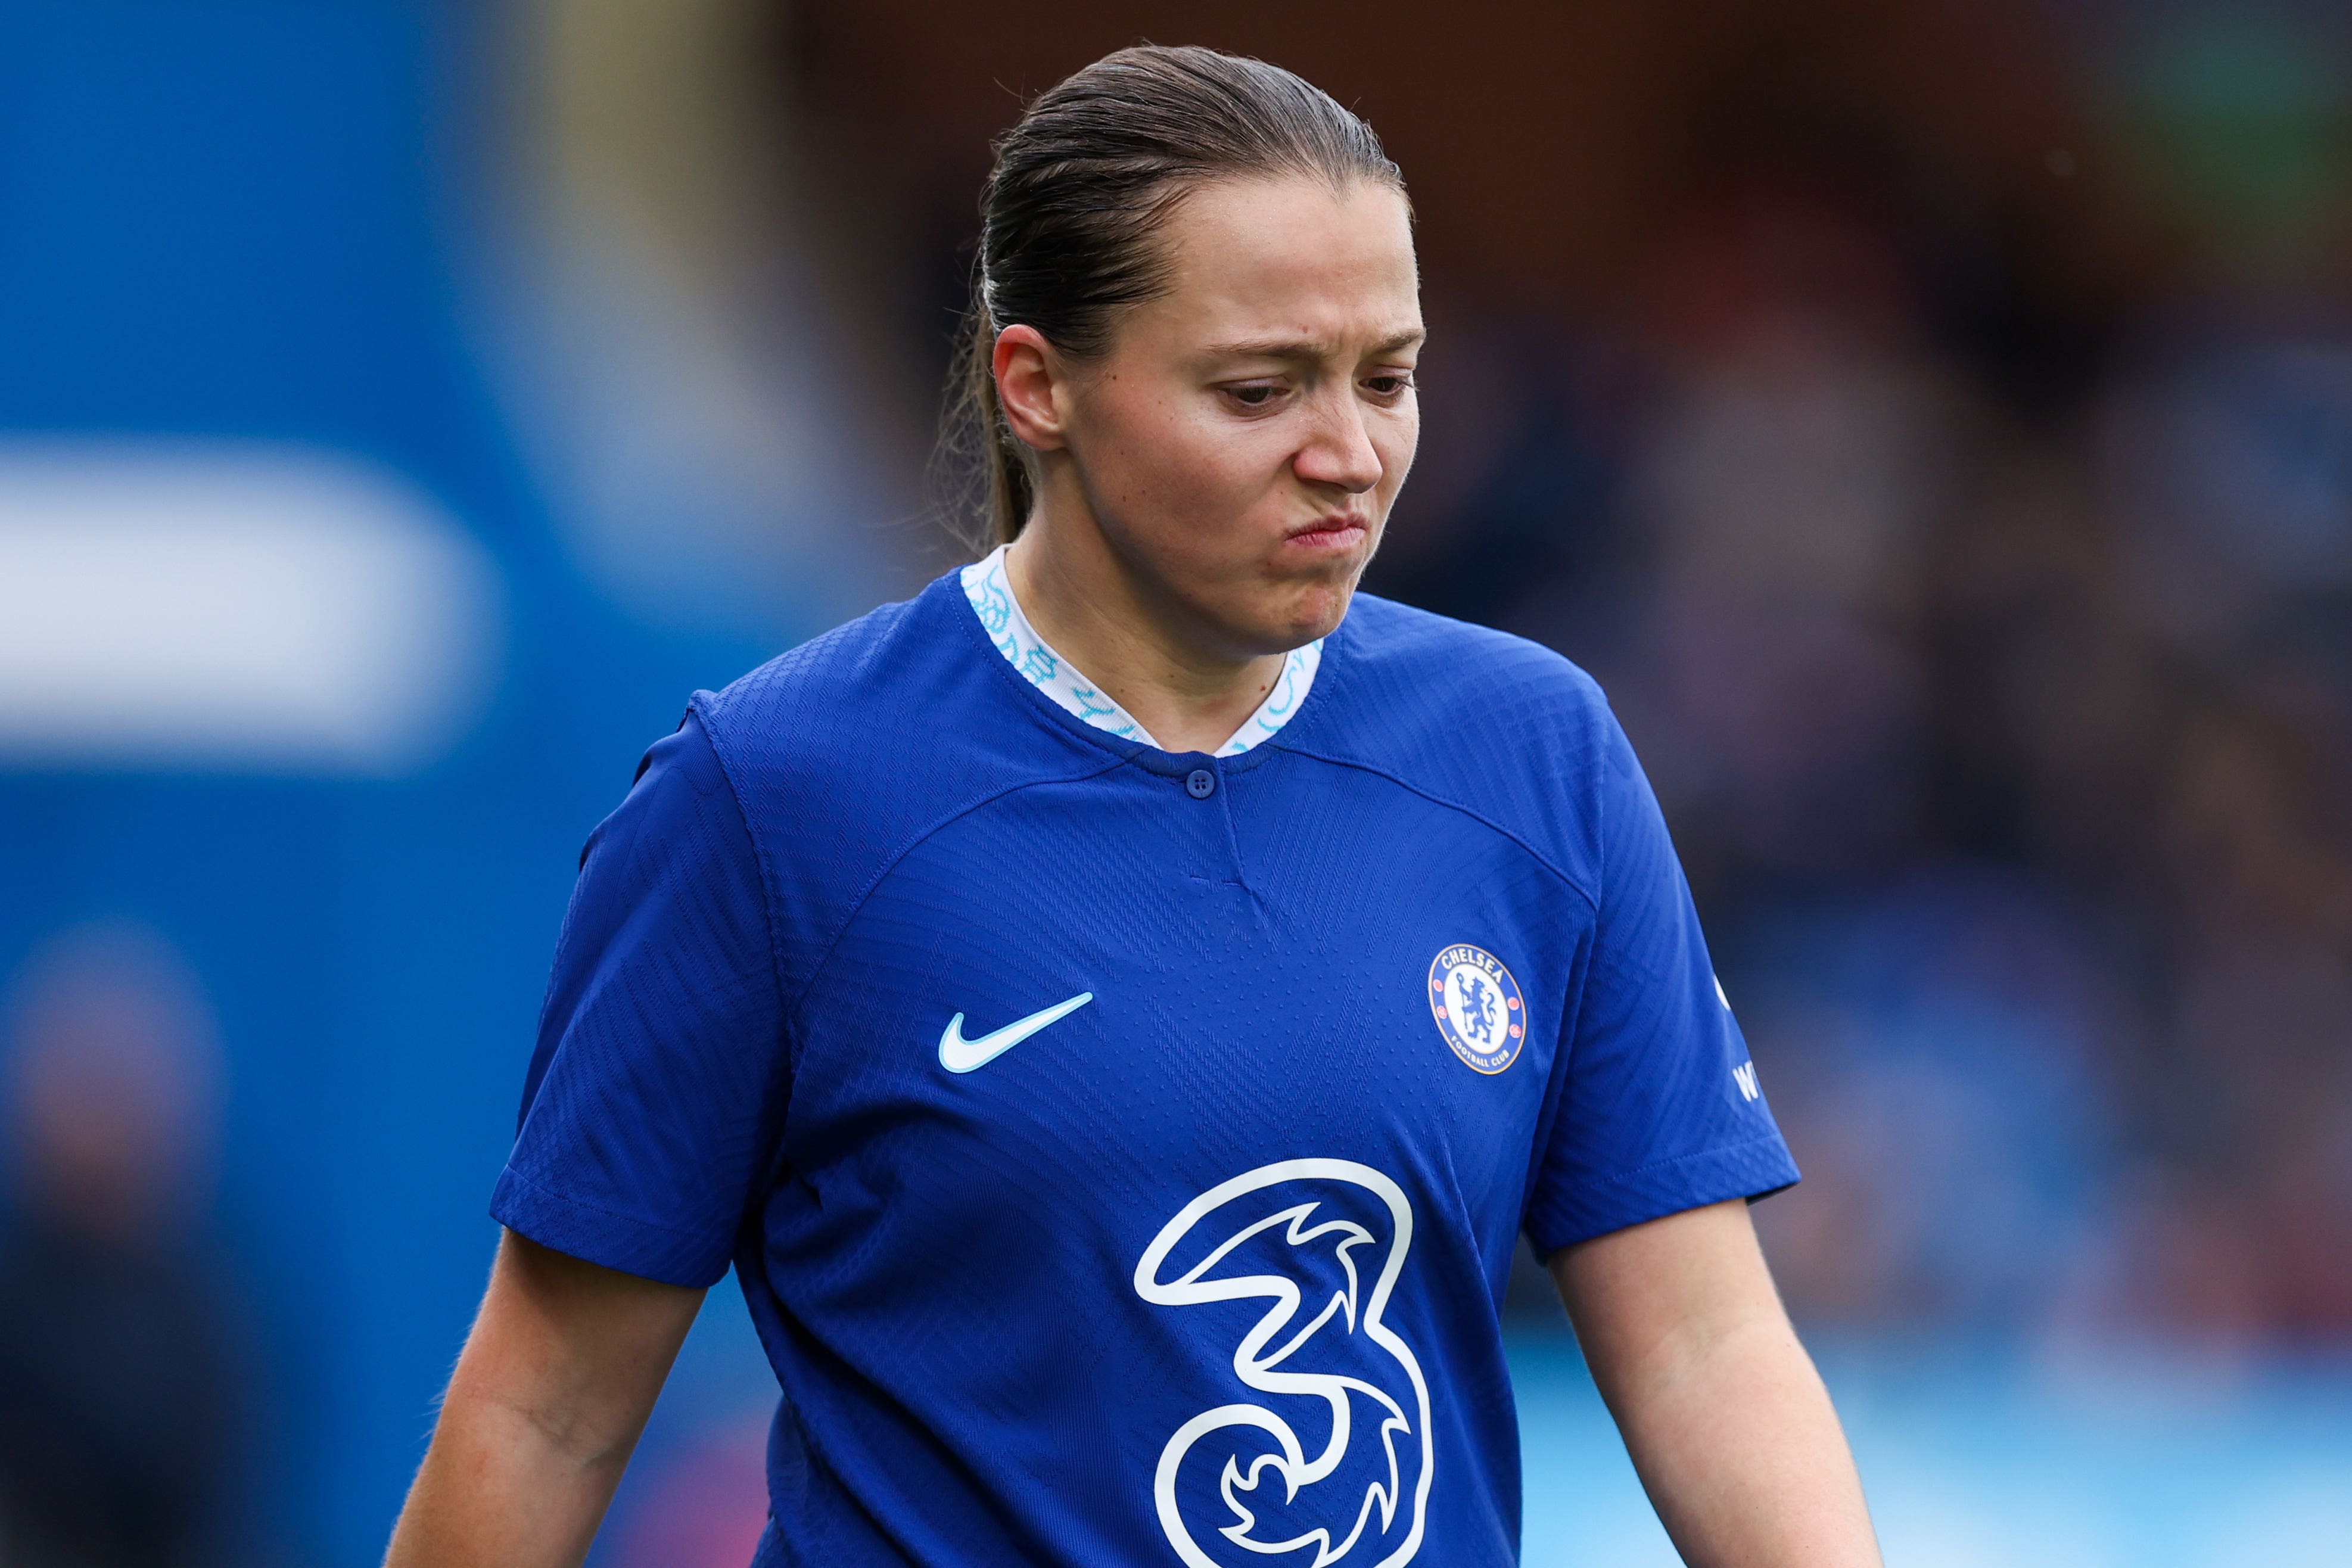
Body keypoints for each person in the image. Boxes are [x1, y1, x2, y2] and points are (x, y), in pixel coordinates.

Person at [385, 45, 1880, 1568]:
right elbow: (547, 1409)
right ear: (1039, 386)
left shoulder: (1533, 757)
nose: (1350, 455)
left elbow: (1708, 1348)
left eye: (1390, 376)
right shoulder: (774, 797)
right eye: (1259, 388)